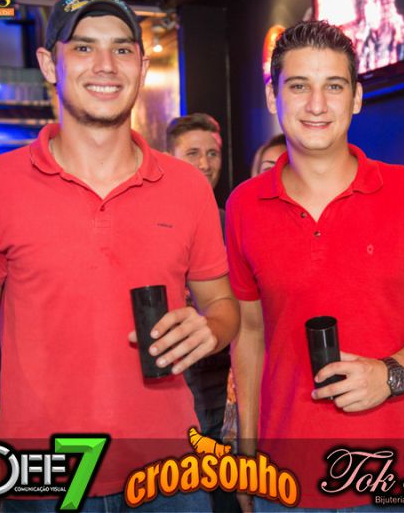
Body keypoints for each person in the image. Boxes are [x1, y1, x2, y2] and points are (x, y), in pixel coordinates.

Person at [0, 0, 239, 511]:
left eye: (122, 48)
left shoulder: (187, 186)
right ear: (50, 64)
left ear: (141, 65)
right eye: (84, 47)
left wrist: (212, 329)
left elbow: (223, 307)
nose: (106, 65)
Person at [225, 20, 404, 511]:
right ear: (274, 97)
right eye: (299, 86)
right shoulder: (243, 206)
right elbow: (248, 334)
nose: (317, 105)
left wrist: (393, 374)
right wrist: (246, 453)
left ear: (357, 97)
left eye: (334, 86)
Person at [166, 113, 240, 512]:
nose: (205, 163)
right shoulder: (152, 220)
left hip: (225, 382)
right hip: (171, 385)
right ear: (169, 157)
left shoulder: (232, 223)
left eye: (213, 153)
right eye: (192, 152)